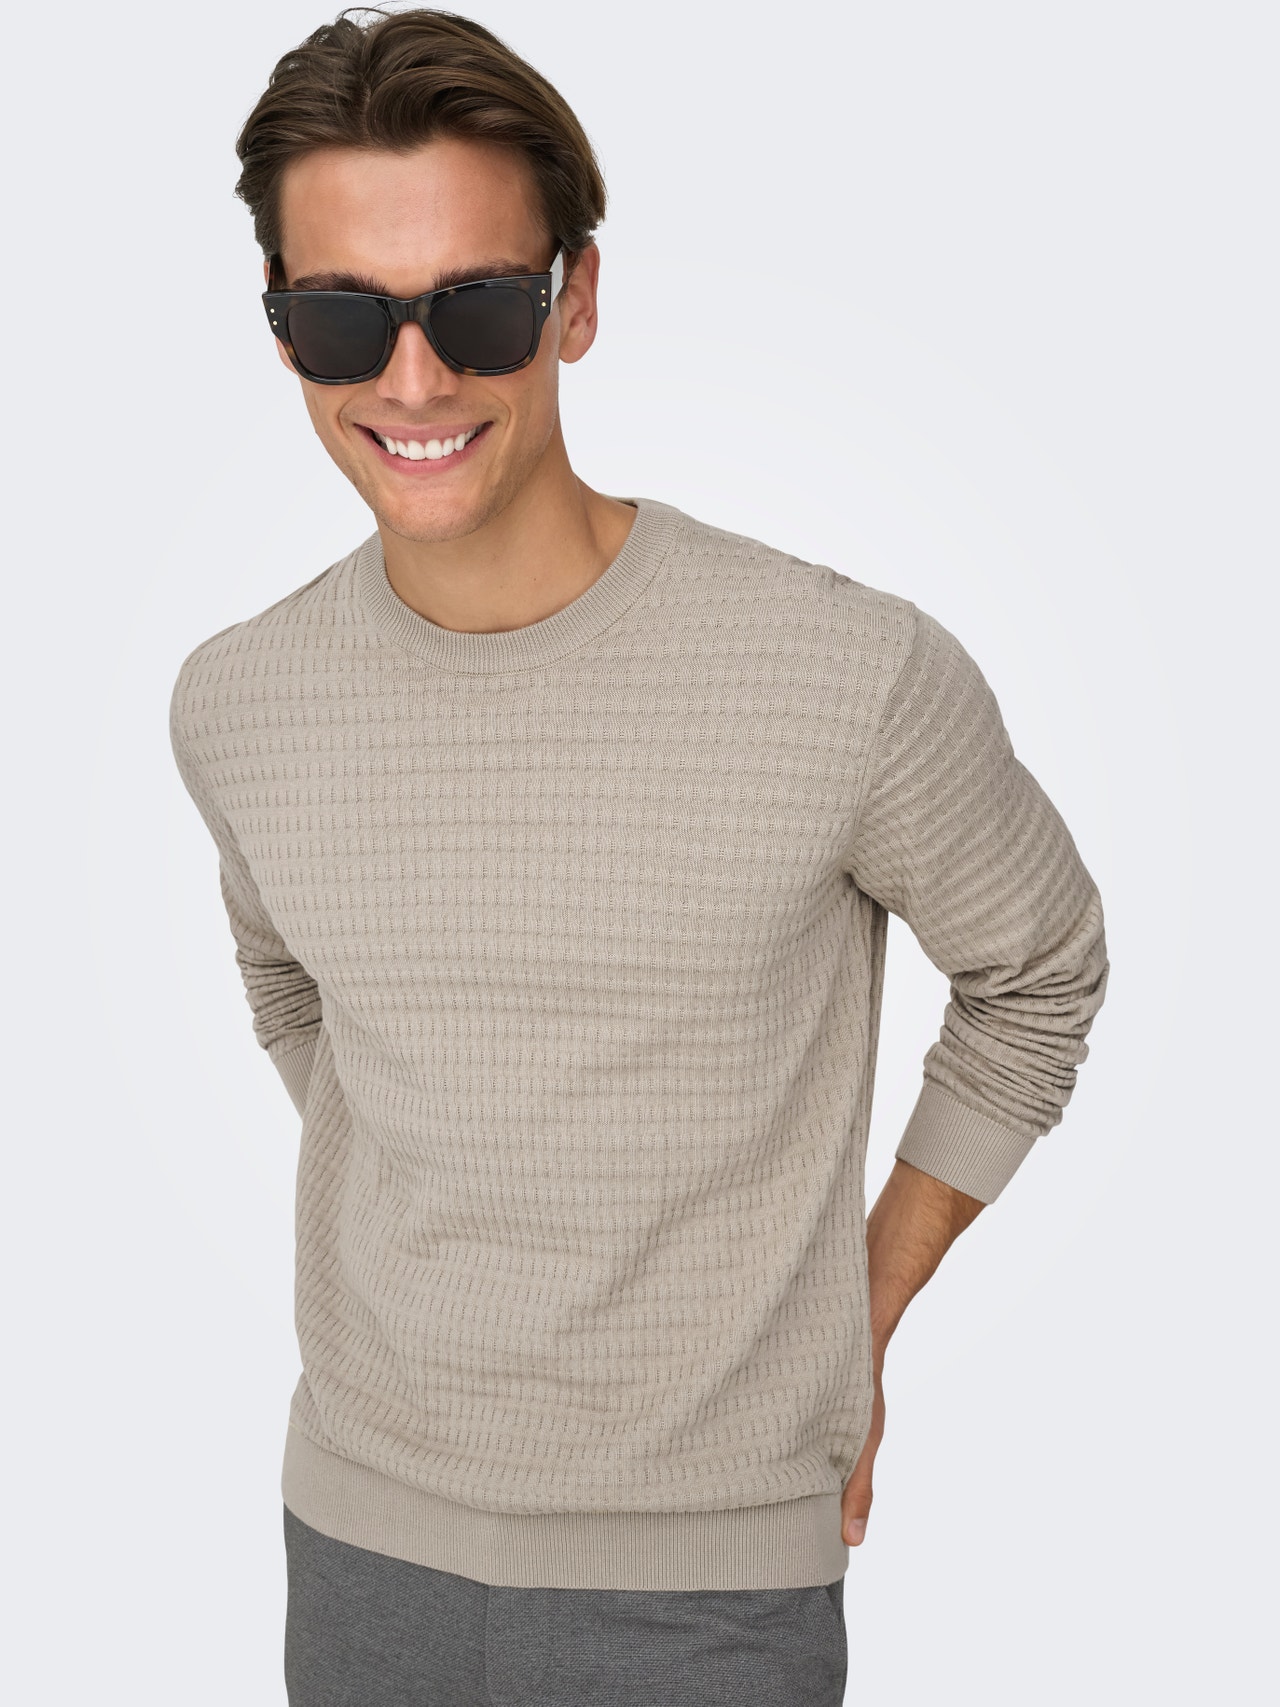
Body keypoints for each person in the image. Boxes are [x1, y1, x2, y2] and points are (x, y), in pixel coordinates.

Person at [168, 8, 1111, 1704]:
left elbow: (1036, 969)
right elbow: (291, 984)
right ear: (280, 326)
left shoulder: (845, 674)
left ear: (576, 300)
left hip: (708, 1586)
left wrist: (859, 1307)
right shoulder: (239, 701)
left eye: (477, 308)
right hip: (358, 1546)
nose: (411, 381)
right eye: (340, 319)